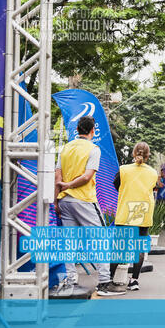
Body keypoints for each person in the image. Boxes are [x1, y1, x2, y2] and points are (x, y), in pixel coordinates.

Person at [54, 116, 124, 296]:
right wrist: (70, 186)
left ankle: (70, 281)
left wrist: (56, 200)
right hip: (84, 200)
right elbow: (86, 177)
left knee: (69, 243)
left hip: (65, 201)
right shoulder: (93, 149)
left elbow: (57, 178)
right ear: (92, 130)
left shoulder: (65, 148)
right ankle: (104, 282)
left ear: (77, 130)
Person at [110, 142, 158, 292]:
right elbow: (152, 188)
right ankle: (134, 280)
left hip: (126, 211)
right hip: (143, 212)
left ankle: (110, 279)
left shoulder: (123, 170)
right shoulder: (152, 172)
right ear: (148, 155)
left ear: (133, 153)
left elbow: (116, 185)